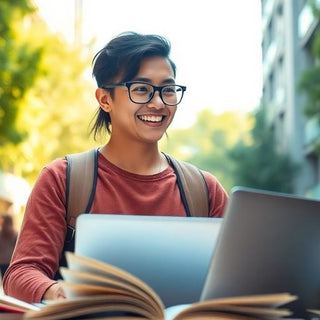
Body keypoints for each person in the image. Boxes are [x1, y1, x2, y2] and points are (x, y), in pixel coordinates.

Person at [3, 31, 228, 303]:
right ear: (104, 99)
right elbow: (22, 273)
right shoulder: (63, 179)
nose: (158, 103)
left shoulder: (205, 190)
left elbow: (239, 277)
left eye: (168, 89)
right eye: (141, 89)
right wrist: (55, 291)